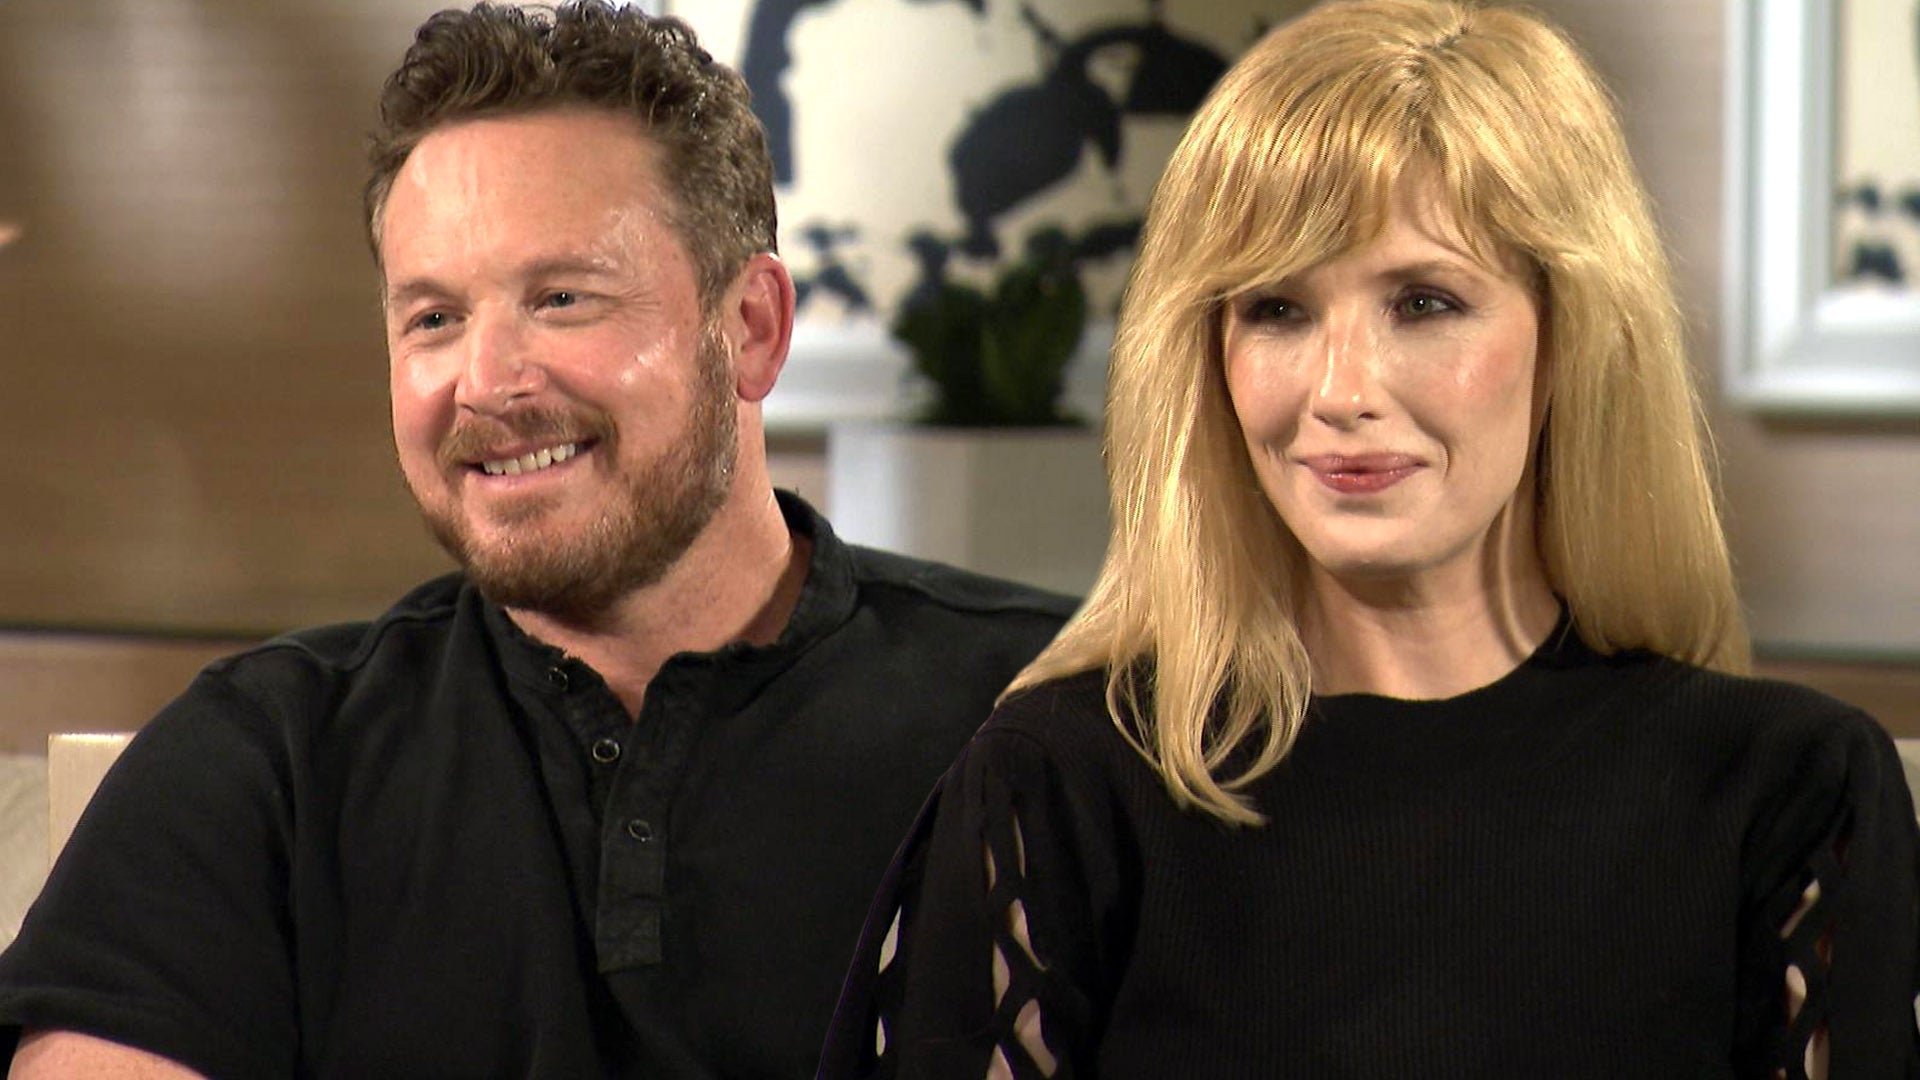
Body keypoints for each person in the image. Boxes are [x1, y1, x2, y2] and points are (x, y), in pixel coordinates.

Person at [819, 1, 1920, 1076]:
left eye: (1425, 303)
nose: (1341, 391)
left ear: (1573, 336)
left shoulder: (1789, 789)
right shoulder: (1060, 782)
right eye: (1277, 310)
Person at [0, 4, 1074, 1077]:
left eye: (562, 299)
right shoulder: (262, 760)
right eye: (433, 319)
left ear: (751, 329)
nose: (485, 383)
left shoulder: (1051, 713)